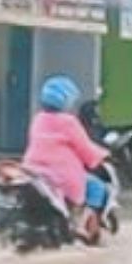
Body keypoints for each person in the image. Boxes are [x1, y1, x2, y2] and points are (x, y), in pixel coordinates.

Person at [23, 76, 109, 238]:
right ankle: (84, 226)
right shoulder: (68, 122)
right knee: (97, 187)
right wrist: (101, 155)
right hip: (61, 175)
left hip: (32, 170)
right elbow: (85, 149)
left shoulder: (38, 119)